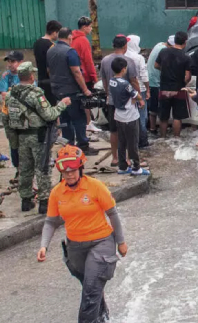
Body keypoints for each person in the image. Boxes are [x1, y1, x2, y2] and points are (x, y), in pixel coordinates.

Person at [37, 145, 128, 323]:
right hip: (75, 247)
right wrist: (43, 246)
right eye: (65, 172)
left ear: (80, 169)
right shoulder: (57, 193)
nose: (69, 175)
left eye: (73, 171)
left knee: (90, 290)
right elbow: (50, 221)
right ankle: (103, 318)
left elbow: (112, 214)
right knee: (90, 287)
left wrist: (121, 242)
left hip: (101, 242)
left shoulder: (95, 187)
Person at [3, 62, 71, 212]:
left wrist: (13, 140)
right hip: (38, 137)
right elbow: (49, 114)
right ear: (31, 76)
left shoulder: (10, 95)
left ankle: (26, 201)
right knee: (42, 168)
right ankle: (44, 202)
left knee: (25, 169)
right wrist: (62, 104)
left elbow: (5, 117)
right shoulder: (36, 94)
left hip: (21, 137)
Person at [47, 28, 96, 155]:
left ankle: (68, 146)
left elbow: (49, 70)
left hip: (57, 90)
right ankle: (82, 144)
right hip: (71, 91)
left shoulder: (50, 50)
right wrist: (85, 90)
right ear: (69, 37)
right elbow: (76, 72)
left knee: (64, 119)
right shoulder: (70, 51)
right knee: (78, 118)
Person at [100, 35, 140, 166]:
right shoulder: (128, 61)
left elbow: (104, 80)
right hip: (127, 104)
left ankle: (115, 158)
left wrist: (108, 94)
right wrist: (140, 96)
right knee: (128, 132)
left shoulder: (105, 60)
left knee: (114, 131)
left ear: (113, 46)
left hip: (112, 101)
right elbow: (134, 81)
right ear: (125, 47)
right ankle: (128, 159)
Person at [109, 58, 149, 176]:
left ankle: (122, 167)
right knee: (133, 143)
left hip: (119, 115)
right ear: (123, 69)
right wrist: (141, 100)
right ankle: (136, 168)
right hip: (130, 117)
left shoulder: (112, 81)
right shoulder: (125, 84)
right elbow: (135, 94)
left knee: (122, 142)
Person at [155, 31, 191, 138]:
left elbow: (156, 65)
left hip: (164, 89)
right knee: (177, 117)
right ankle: (176, 138)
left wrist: (165, 70)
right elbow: (188, 76)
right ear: (185, 42)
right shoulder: (186, 57)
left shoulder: (163, 52)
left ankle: (163, 137)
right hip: (178, 89)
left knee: (163, 117)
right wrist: (183, 83)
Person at [71, 16, 102, 133]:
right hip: (84, 75)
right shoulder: (83, 40)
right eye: (90, 27)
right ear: (84, 27)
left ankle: (86, 122)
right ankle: (88, 123)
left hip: (76, 74)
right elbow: (88, 60)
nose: (91, 29)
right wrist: (94, 76)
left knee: (79, 100)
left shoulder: (72, 39)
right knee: (87, 100)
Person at [125, 35, 150, 147]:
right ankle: (143, 142)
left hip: (126, 90)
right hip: (140, 89)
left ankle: (130, 142)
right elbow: (144, 76)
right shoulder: (138, 57)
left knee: (129, 115)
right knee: (142, 116)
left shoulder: (122, 55)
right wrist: (148, 89)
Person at [1, 51, 24, 174]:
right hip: (9, 114)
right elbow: (4, 94)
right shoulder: (6, 76)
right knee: (14, 143)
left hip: (24, 115)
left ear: (21, 62)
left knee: (25, 142)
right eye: (8, 61)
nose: (10, 64)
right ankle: (18, 169)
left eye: (13, 61)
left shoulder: (26, 75)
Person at [146, 35, 172, 134]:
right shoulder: (164, 51)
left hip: (151, 79)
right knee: (156, 107)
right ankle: (154, 129)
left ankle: (153, 128)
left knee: (153, 106)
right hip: (156, 82)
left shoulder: (159, 45)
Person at [34, 20, 62, 106]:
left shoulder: (37, 43)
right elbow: (50, 67)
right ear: (54, 32)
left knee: (43, 106)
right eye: (58, 33)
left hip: (40, 79)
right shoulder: (51, 46)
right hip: (50, 81)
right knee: (52, 108)